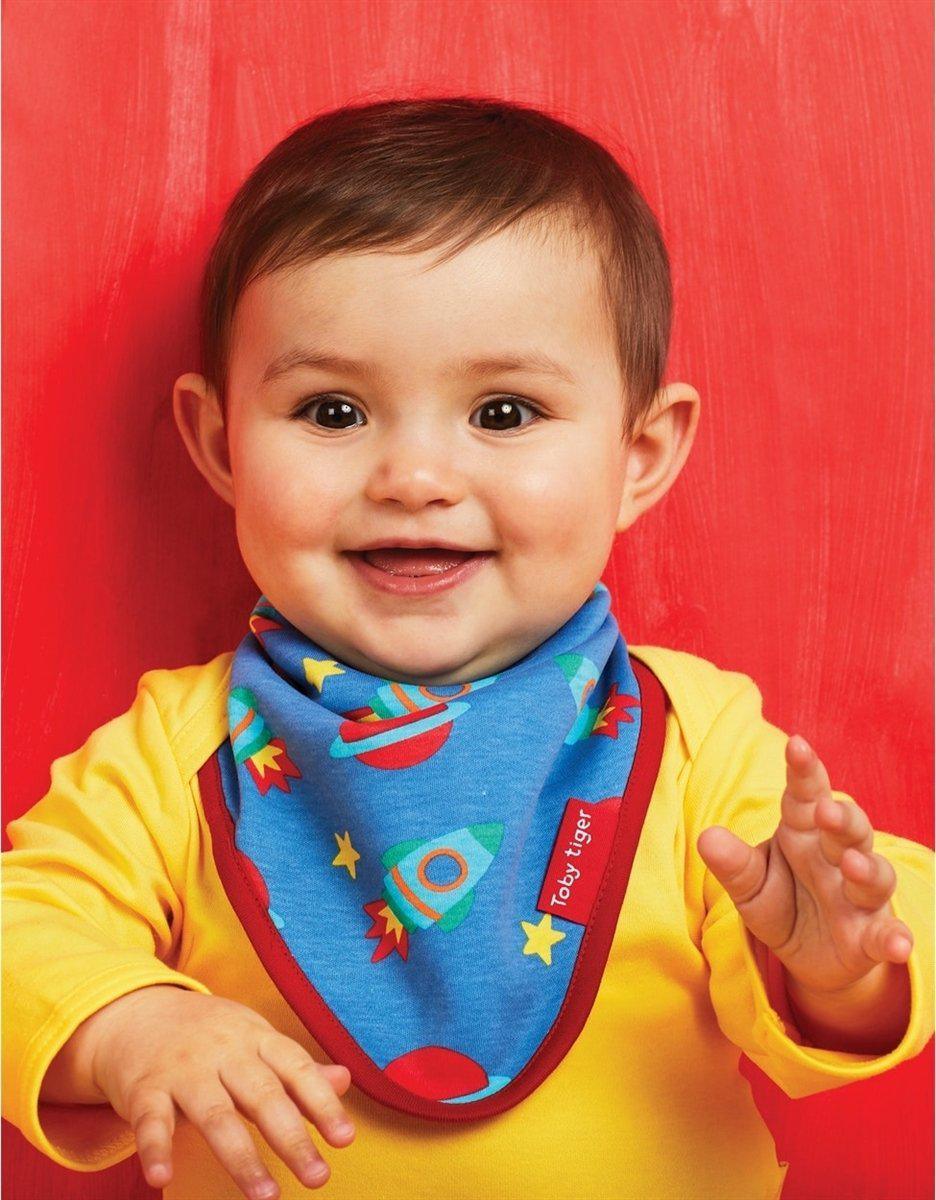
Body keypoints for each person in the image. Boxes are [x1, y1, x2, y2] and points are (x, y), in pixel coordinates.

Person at [3, 96, 932, 1200]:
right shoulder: (178, 751)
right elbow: (21, 928)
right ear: (219, 443)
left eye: (502, 413)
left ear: (639, 455)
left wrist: (837, 971)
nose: (415, 477)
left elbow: (878, 914)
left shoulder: (692, 740)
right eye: (333, 411)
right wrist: (130, 1025)